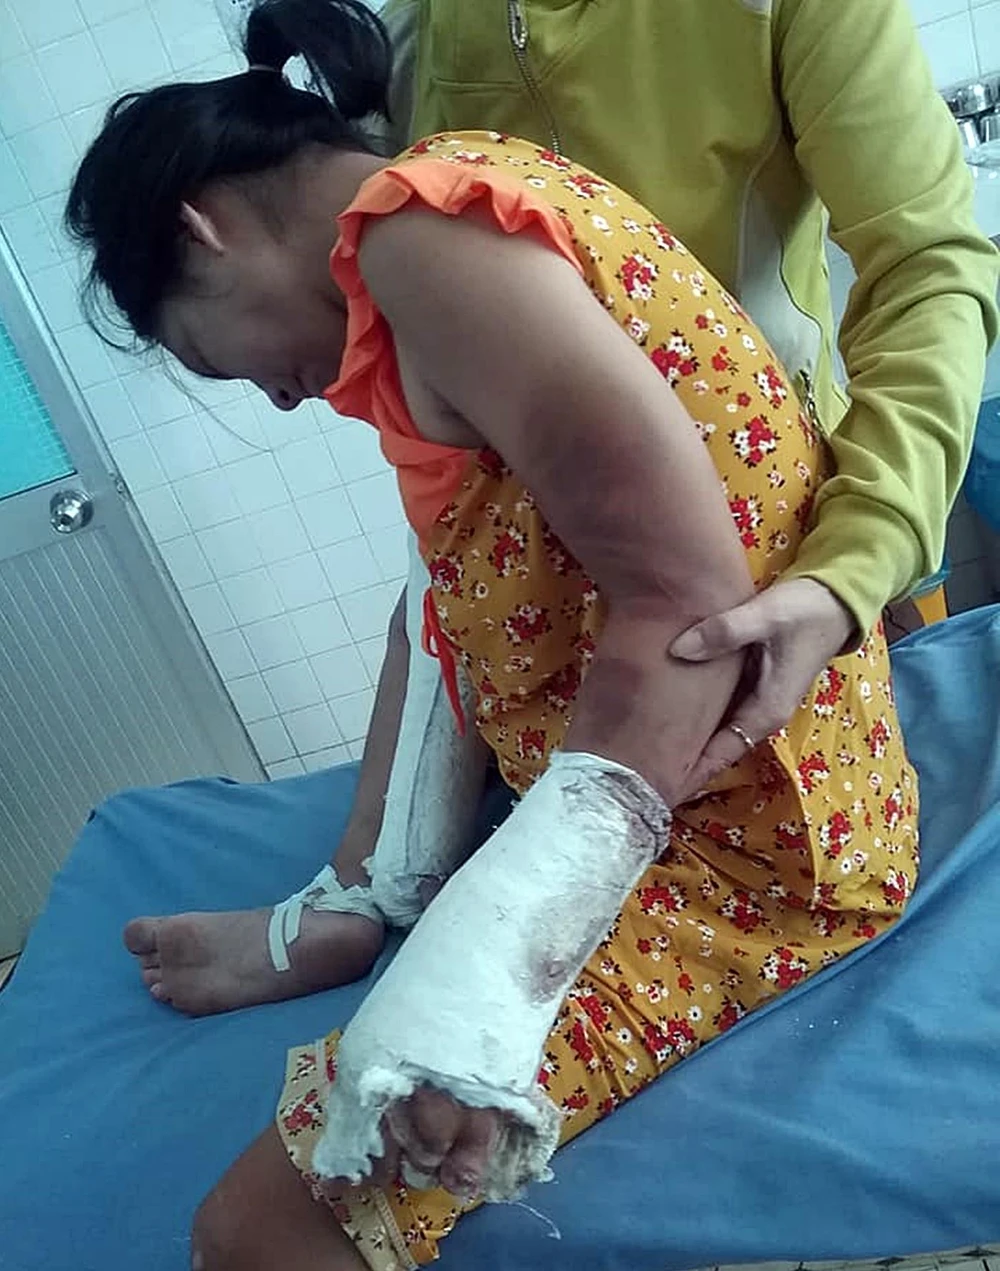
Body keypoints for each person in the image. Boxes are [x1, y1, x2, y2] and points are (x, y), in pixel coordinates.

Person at [67, 2, 923, 1266]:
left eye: (217, 357)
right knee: (439, 594)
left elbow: (682, 611)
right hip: (703, 794)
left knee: (247, 1237)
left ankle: (378, 918)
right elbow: (459, 592)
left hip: (744, 863)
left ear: (204, 226)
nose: (278, 397)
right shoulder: (451, 209)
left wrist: (469, 1000)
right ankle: (357, 898)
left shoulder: (422, 244)